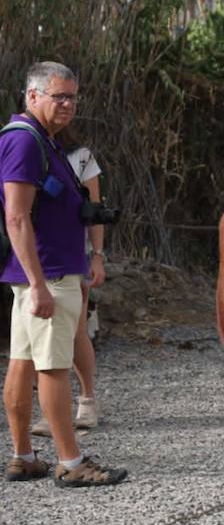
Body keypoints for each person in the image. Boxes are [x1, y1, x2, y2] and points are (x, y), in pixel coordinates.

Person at [2, 62, 126, 488]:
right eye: (59, 96)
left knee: (21, 362)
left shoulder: (43, 141)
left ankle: (24, 456)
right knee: (51, 367)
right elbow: (16, 217)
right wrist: (38, 285)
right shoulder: (24, 141)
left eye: (72, 96)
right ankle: (71, 463)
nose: (69, 104)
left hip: (41, 272)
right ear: (32, 96)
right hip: (47, 273)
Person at [32, 129, 105, 435]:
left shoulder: (81, 156)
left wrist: (98, 255)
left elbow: (94, 210)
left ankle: (87, 399)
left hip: (74, 255)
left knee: (74, 330)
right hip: (33, 256)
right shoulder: (25, 148)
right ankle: (51, 408)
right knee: (37, 337)